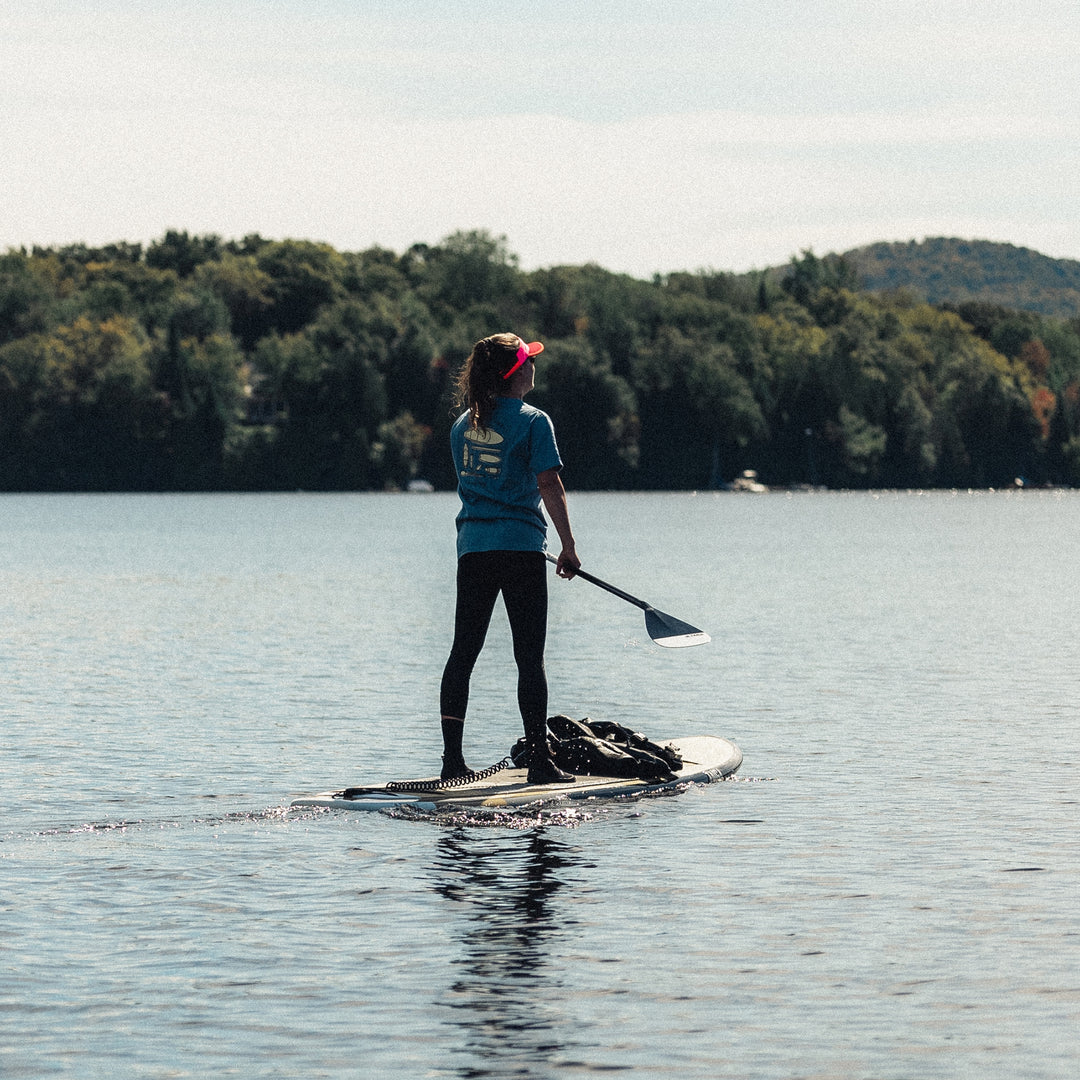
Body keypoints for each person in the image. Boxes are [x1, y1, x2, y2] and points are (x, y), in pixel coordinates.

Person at [439, 332, 581, 784]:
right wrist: (569, 548)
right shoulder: (534, 421)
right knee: (529, 657)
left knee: (464, 652)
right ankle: (540, 762)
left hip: (474, 551)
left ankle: (451, 761)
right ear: (515, 372)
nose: (534, 365)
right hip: (520, 549)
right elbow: (549, 485)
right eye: (528, 360)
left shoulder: (463, 425)